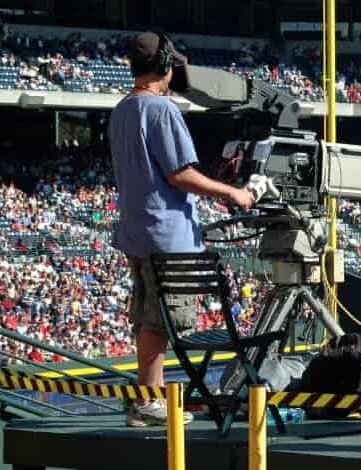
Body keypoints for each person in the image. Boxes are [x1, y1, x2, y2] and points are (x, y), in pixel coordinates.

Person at [108, 32, 255, 428]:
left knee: (146, 319)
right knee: (162, 322)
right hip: (167, 234)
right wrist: (233, 193)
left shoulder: (122, 109)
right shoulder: (162, 110)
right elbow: (180, 174)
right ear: (165, 67)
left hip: (136, 232)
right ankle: (151, 401)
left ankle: (145, 399)